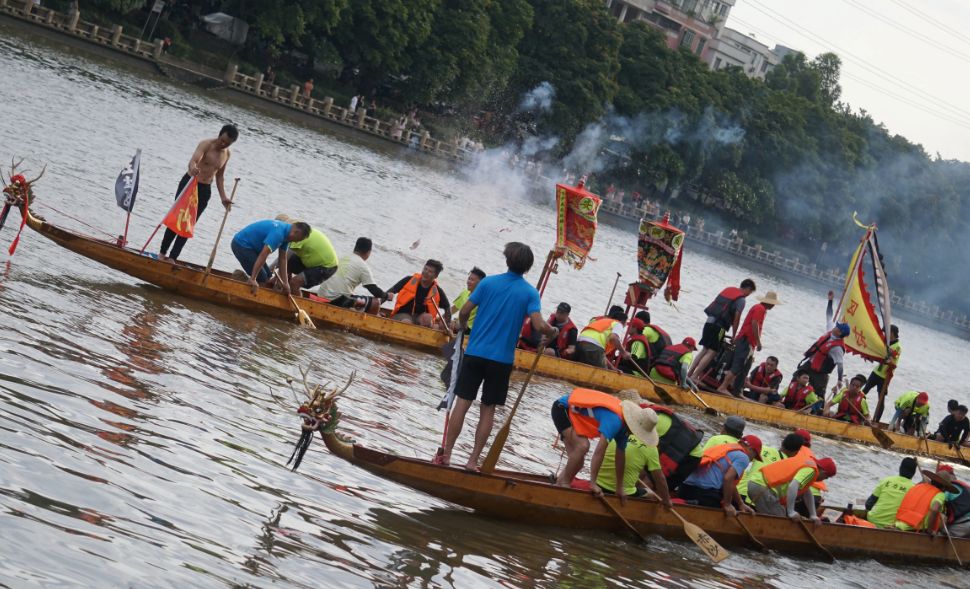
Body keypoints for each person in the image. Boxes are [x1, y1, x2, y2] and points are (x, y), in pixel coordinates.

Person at [443, 243, 558, 469]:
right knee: (488, 408)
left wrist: (463, 329)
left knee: (462, 403)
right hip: (501, 360)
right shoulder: (529, 292)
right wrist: (552, 332)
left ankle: (446, 455)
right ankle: (473, 461)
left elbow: (464, 311)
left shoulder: (487, 282)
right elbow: (538, 324)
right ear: (527, 268)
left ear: (507, 260)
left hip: (476, 353)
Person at [552, 388, 660, 501]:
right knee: (583, 446)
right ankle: (563, 485)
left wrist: (619, 487)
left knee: (578, 463)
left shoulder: (624, 430)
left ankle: (558, 486)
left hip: (574, 413)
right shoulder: (615, 421)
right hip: (562, 408)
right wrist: (593, 483)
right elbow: (600, 452)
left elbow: (620, 458)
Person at [159, 124, 238, 261]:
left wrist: (223, 197)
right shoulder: (206, 144)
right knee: (178, 218)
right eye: (222, 140)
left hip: (205, 189)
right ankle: (162, 253)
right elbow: (193, 161)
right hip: (190, 183)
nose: (223, 144)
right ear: (219, 135)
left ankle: (173, 257)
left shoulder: (227, 154)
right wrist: (193, 167)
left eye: (227, 143)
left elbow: (219, 176)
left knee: (189, 224)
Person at [747, 438, 837, 525]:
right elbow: (793, 486)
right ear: (823, 472)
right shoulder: (812, 470)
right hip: (763, 488)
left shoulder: (808, 462)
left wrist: (813, 515)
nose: (822, 480)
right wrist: (791, 511)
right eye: (825, 477)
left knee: (777, 516)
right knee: (781, 523)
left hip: (757, 484)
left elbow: (807, 492)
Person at [687, 279, 756, 381]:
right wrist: (734, 335)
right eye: (750, 292)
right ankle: (694, 376)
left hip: (708, 322)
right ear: (748, 288)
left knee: (705, 349)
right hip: (719, 326)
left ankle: (689, 373)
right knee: (712, 351)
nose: (748, 295)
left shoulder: (728, 289)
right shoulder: (741, 300)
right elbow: (737, 318)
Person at [716, 291, 781, 396]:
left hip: (749, 343)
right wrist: (759, 341)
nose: (773, 306)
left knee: (745, 368)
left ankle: (737, 390)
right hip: (745, 341)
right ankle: (722, 387)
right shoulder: (760, 308)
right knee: (737, 366)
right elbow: (754, 324)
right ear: (768, 302)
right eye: (773, 303)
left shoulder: (761, 309)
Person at [679, 435, 763, 513]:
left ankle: (691, 502)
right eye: (754, 456)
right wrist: (727, 504)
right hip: (703, 494)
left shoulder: (726, 447)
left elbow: (731, 484)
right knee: (726, 505)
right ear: (750, 449)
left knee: (733, 502)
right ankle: (696, 503)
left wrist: (741, 504)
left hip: (684, 488)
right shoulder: (743, 457)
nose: (752, 460)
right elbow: (728, 478)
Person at [230, 220, 310, 295]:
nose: (297, 242)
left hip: (252, 249)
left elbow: (283, 259)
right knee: (261, 277)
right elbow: (263, 254)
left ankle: (250, 286)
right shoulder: (278, 233)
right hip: (241, 245)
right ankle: (242, 283)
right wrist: (253, 278)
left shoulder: (286, 235)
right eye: (299, 239)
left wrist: (285, 283)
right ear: (296, 232)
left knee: (268, 275)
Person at [318, 237, 388, 314]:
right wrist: (387, 295)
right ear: (369, 252)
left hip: (321, 295)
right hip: (336, 300)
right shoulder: (362, 266)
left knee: (352, 297)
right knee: (376, 302)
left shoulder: (341, 256)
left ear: (355, 248)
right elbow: (375, 292)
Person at [797, 293, 848, 397]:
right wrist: (830, 301)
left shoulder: (837, 348)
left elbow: (840, 365)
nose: (835, 326)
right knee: (796, 380)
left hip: (820, 374)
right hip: (809, 365)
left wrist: (839, 380)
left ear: (840, 333)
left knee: (818, 395)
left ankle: (817, 410)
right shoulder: (831, 331)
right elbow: (829, 315)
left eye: (837, 327)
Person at [273, 215, 338, 291]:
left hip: (326, 267)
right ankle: (278, 288)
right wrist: (275, 278)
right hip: (310, 262)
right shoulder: (295, 232)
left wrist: (268, 271)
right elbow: (284, 261)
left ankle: (293, 296)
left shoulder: (297, 235)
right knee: (288, 263)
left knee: (294, 283)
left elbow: (281, 259)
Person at [386, 260, 451, 327]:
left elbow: (447, 308)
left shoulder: (437, 291)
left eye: (430, 272)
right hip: (402, 315)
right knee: (407, 322)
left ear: (436, 276)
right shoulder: (408, 280)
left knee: (428, 319)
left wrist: (447, 324)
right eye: (425, 269)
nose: (426, 272)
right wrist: (380, 304)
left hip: (419, 318)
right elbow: (390, 291)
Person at [894, 466, 956, 532]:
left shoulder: (917, 487)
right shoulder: (940, 494)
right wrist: (930, 530)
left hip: (898, 523)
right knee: (943, 518)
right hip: (915, 528)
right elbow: (934, 509)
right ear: (944, 488)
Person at [864, 457, 917, 528]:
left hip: (873, 520)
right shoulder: (914, 489)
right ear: (914, 473)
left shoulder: (886, 480)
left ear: (900, 468)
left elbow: (868, 504)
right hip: (892, 527)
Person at [866, 324, 901, 422]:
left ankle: (876, 421)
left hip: (885, 376)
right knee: (864, 391)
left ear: (892, 333)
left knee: (880, 400)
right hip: (876, 372)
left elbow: (890, 359)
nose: (885, 334)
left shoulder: (897, 346)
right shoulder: (886, 342)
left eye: (886, 332)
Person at [450, 268, 486, 332]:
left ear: (480, 283)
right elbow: (453, 309)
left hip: (470, 330)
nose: (468, 281)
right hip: (458, 325)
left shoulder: (484, 299)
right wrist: (440, 318)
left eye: (472, 280)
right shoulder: (465, 293)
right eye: (469, 278)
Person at [944, 469, 970, 537]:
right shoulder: (965, 486)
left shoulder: (948, 488)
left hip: (964, 523)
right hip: (965, 523)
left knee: (942, 533)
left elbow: (939, 504)